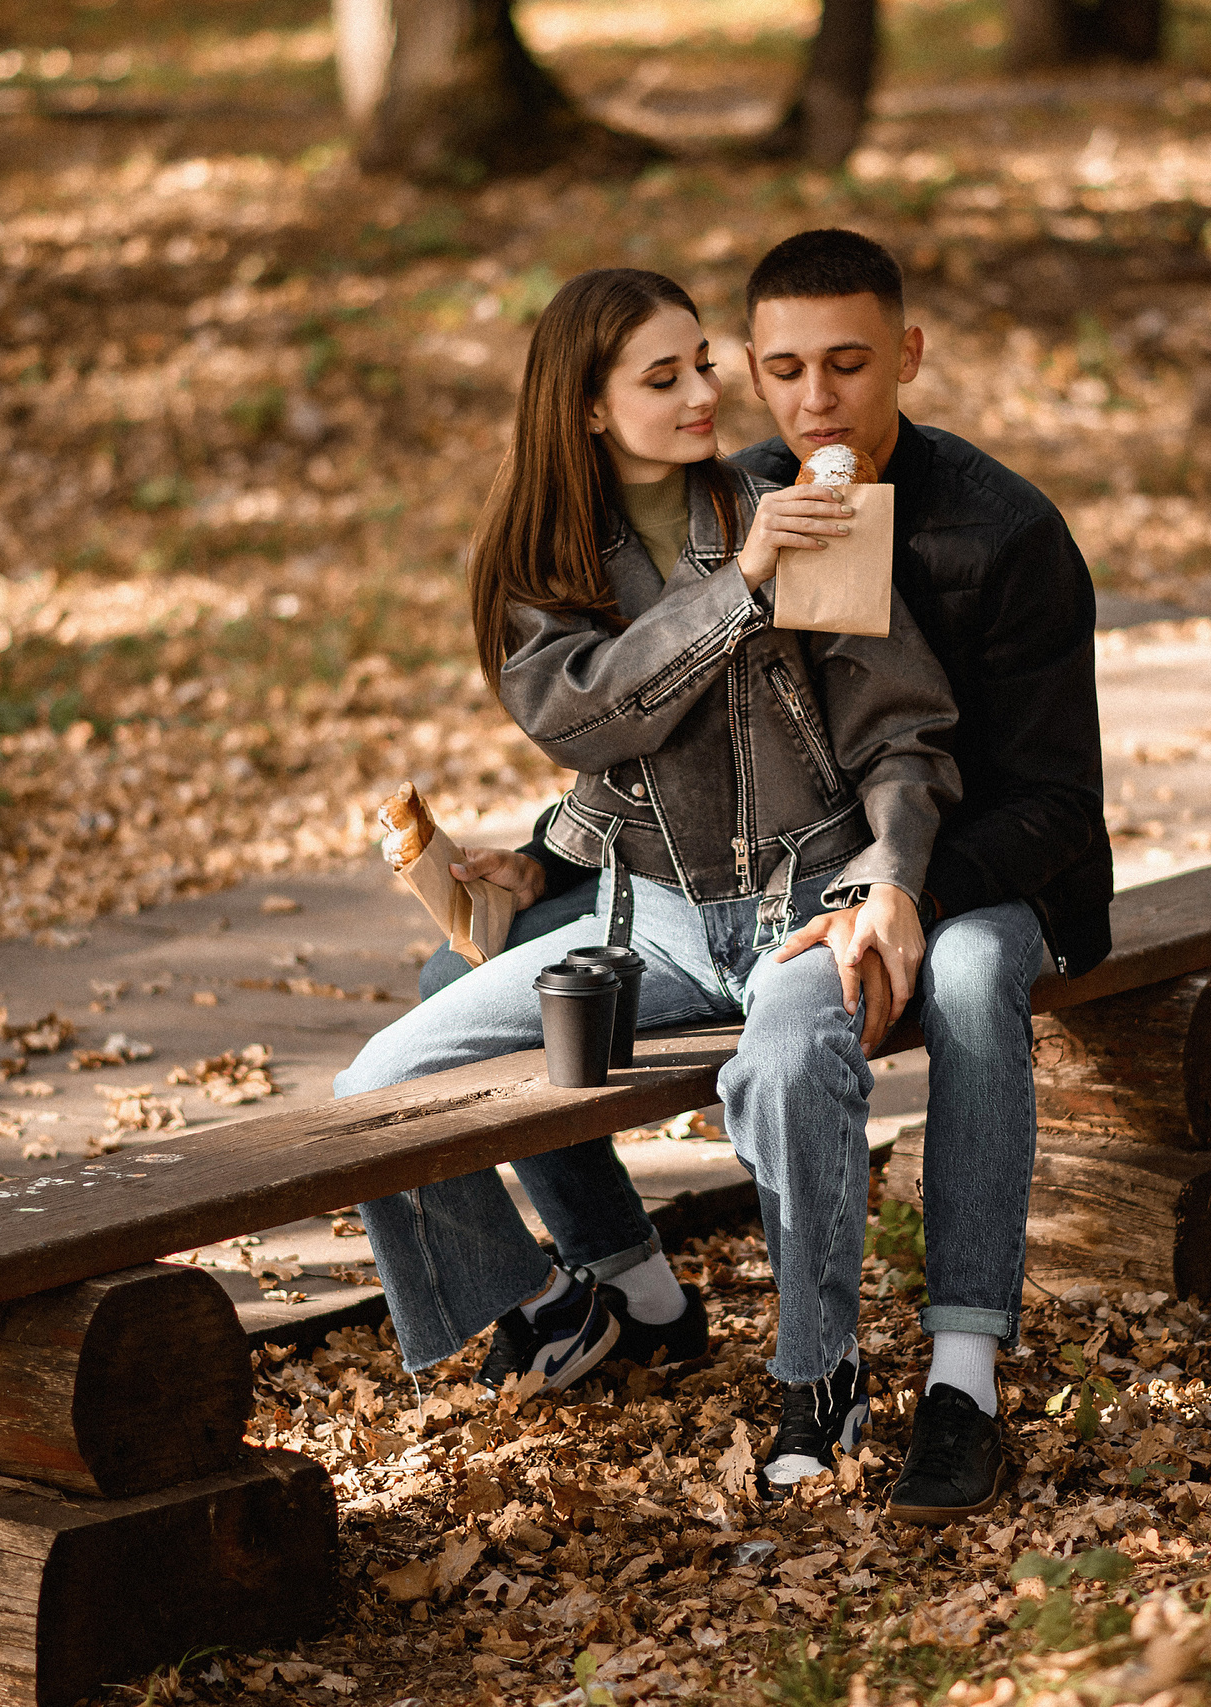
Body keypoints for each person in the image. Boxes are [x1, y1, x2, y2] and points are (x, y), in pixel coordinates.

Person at [426, 230, 1113, 1528]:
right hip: (786, 890)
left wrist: (892, 884)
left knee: (960, 983)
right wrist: (547, 847)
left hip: (995, 865)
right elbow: (644, 726)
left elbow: (1048, 802)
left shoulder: (1003, 531)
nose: (811, 403)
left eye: (847, 366)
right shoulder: (753, 500)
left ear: (905, 356)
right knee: (426, 1004)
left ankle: (957, 1370)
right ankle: (617, 1291)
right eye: (778, 369)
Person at [331, 266, 963, 1499]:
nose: (701, 395)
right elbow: (593, 720)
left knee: (784, 1067)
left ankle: (820, 1382)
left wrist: (888, 875)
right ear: (583, 406)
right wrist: (737, 594)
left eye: (702, 366)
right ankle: (588, 1298)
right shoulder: (539, 563)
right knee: (381, 1084)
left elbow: (898, 732)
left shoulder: (794, 501)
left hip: (808, 909)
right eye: (660, 377)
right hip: (654, 932)